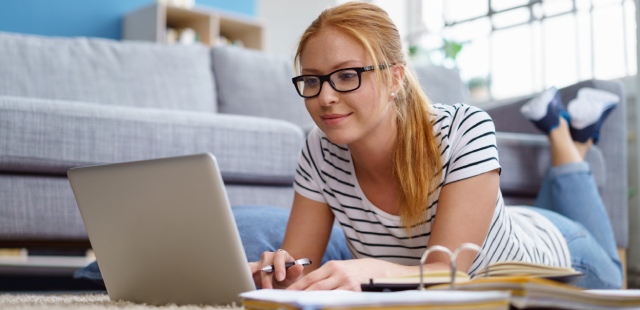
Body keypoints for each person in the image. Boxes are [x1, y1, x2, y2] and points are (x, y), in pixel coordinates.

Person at [245, 1, 622, 290]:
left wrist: (367, 273)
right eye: (312, 81)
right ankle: (574, 137)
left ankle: (561, 133)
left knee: (616, 274)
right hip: (503, 226)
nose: (325, 97)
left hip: (560, 255)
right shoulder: (318, 149)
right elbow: (301, 266)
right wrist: (281, 273)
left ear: (395, 78)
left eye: (346, 75)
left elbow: (449, 275)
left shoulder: (463, 128)